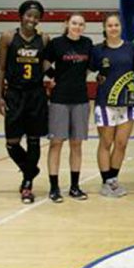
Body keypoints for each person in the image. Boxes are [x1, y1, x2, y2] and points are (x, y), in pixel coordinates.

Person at [0, 0, 50, 204]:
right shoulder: (8, 37)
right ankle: (31, 169)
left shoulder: (44, 39)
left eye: (36, 17)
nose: (32, 20)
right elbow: (1, 68)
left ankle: (27, 184)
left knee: (34, 140)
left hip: (36, 94)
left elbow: (46, 65)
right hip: (15, 94)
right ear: (21, 16)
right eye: (29, 15)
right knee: (12, 143)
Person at [44, 13, 93, 203]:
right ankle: (54, 187)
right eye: (74, 23)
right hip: (59, 99)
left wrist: (78, 76)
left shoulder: (87, 43)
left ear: (84, 27)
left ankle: (74, 186)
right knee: (56, 143)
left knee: (76, 144)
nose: (77, 27)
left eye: (81, 24)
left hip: (80, 99)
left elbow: (89, 67)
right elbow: (44, 63)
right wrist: (56, 76)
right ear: (67, 24)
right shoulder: (56, 43)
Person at [90, 12, 134, 198]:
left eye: (116, 25)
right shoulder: (97, 50)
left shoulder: (132, 48)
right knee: (106, 142)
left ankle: (113, 179)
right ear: (104, 28)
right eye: (110, 26)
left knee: (121, 143)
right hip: (105, 103)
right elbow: (88, 70)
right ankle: (105, 180)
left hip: (127, 102)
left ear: (121, 27)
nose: (113, 29)